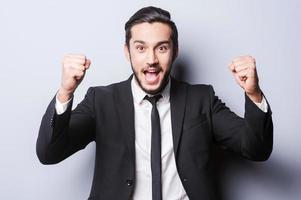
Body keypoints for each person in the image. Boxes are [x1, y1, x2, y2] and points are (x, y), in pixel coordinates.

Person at [36, 6, 273, 200]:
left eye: (161, 48)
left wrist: (253, 94)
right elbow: (49, 154)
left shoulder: (202, 99)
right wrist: (66, 92)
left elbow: (256, 149)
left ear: (175, 51)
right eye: (140, 48)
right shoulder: (101, 100)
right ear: (127, 52)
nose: (151, 60)